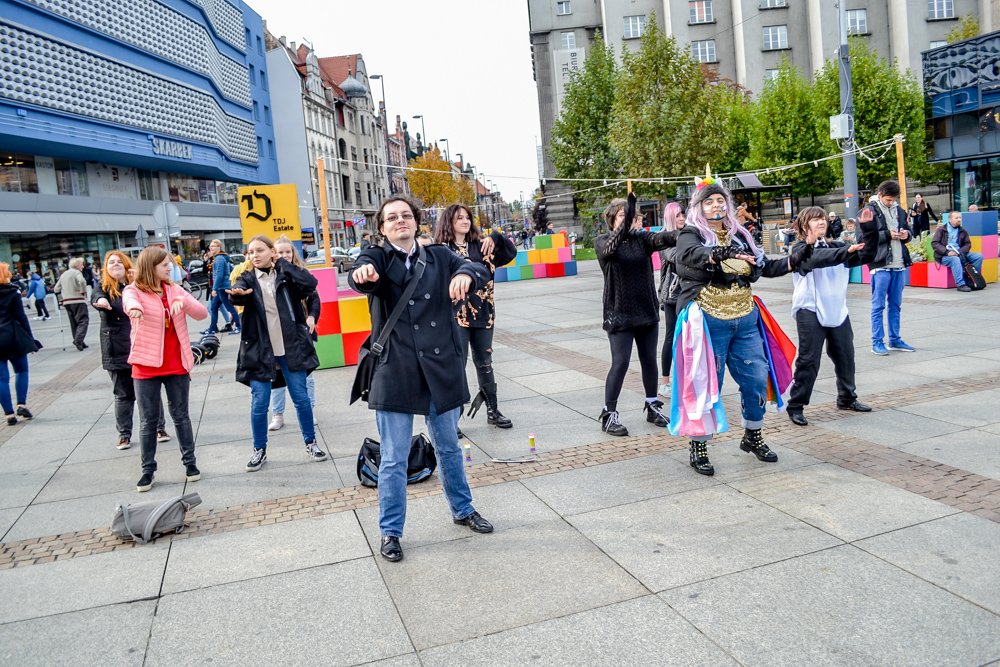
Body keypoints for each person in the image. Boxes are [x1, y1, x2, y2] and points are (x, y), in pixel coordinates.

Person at [349, 195, 493, 563]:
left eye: (406, 215)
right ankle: (391, 531)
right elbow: (361, 271)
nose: (400, 221)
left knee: (449, 448)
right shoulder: (377, 257)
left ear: (416, 222)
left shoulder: (441, 256)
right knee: (394, 458)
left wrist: (465, 273)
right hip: (395, 371)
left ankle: (463, 510)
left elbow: (476, 268)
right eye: (391, 218)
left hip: (440, 368)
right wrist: (362, 274)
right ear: (383, 228)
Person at [672, 176, 815, 476]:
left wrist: (796, 258)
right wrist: (719, 253)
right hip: (709, 321)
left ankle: (752, 434)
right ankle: (698, 445)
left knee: (757, 378)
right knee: (704, 383)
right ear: (699, 207)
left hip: (745, 319)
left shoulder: (740, 235)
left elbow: (764, 266)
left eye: (720, 200)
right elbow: (690, 255)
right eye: (709, 201)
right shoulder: (690, 234)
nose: (716, 205)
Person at [228, 235, 326, 471]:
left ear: (272, 252)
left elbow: (310, 284)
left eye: (260, 250)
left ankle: (311, 443)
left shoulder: (286, 275)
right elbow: (236, 293)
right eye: (251, 252)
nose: (254, 255)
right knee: (259, 404)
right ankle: (259, 450)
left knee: (301, 399)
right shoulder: (247, 278)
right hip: (260, 352)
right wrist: (237, 294)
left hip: (290, 348)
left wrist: (282, 263)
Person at [123, 247, 207, 492]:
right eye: (164, 265)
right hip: (146, 365)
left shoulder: (174, 289)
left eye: (169, 264)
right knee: (148, 421)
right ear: (150, 267)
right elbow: (129, 303)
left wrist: (184, 301)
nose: (169, 268)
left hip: (176, 364)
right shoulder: (133, 290)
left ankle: (190, 464)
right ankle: (147, 470)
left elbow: (202, 314)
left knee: (181, 415)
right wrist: (135, 309)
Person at [596, 194, 678, 436]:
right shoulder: (603, 241)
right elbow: (611, 248)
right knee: (620, 362)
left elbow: (663, 238)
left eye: (632, 216)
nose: (630, 220)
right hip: (619, 312)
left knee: (649, 359)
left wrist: (686, 232)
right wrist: (627, 217)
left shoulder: (643, 239)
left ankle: (652, 406)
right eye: (623, 216)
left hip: (646, 310)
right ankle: (609, 414)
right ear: (612, 220)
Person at [786, 207, 874, 426]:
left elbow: (868, 254)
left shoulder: (837, 246)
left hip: (837, 308)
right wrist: (846, 252)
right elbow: (817, 259)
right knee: (809, 360)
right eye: (815, 219)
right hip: (809, 309)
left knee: (846, 356)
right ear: (804, 225)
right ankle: (796, 405)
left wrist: (869, 229)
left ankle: (847, 398)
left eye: (823, 219)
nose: (821, 222)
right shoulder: (800, 249)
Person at [434, 203, 518, 428]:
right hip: (455, 317)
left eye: (467, 217)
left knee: (485, 363)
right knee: (456, 366)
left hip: (484, 314)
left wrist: (496, 236)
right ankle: (452, 420)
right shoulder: (441, 250)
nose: (465, 221)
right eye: (459, 218)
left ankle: (493, 410)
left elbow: (511, 253)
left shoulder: (482, 246)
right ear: (449, 222)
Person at [93, 251, 168, 450]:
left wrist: (139, 281)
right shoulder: (102, 287)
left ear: (127, 265)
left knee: (150, 391)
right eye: (111, 262)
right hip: (116, 348)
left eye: (119, 261)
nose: (115, 264)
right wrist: (102, 302)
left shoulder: (138, 286)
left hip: (141, 344)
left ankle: (159, 428)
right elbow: (98, 298)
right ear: (106, 268)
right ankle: (124, 434)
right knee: (123, 394)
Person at [268, 236, 319, 431]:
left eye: (287, 252)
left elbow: (314, 297)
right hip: (278, 334)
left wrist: (312, 317)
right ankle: (278, 414)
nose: (284, 255)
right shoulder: (269, 275)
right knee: (277, 377)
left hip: (302, 332)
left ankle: (309, 410)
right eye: (280, 252)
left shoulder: (299, 272)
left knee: (307, 377)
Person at [862, 180, 915, 356]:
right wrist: (886, 234)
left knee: (895, 305)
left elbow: (909, 230)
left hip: (899, 263)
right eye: (888, 200)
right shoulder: (868, 211)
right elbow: (863, 238)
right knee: (878, 306)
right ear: (880, 195)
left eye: (894, 200)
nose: (891, 203)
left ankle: (895, 339)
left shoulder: (900, 211)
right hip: (880, 264)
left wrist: (907, 234)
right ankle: (877, 341)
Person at [0, 262, 38, 425]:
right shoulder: (12, 292)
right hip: (13, 337)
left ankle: (9, 415)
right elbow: (21, 317)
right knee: (21, 370)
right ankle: (21, 405)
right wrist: (30, 340)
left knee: (1, 379)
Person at [658, 202, 685, 397]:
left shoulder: (689, 233)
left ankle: (686, 379)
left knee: (690, 337)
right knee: (671, 336)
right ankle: (665, 382)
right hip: (672, 294)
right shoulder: (663, 237)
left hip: (691, 293)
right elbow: (675, 256)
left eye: (683, 214)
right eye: (677, 215)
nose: (682, 218)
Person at [932, 210, 985, 293]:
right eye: (956, 218)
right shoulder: (941, 230)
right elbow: (935, 243)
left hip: (960, 253)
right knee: (955, 259)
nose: (959, 220)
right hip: (944, 255)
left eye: (960, 218)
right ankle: (961, 284)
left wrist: (960, 252)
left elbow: (967, 244)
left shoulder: (962, 230)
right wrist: (947, 252)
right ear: (950, 219)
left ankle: (970, 278)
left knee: (978, 256)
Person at [205, 239, 240, 335]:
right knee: (214, 308)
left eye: (213, 246)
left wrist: (214, 289)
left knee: (229, 307)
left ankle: (239, 326)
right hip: (221, 287)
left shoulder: (219, 259)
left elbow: (219, 275)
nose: (211, 248)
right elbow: (231, 269)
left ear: (219, 247)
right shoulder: (221, 258)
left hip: (222, 288)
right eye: (210, 246)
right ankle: (212, 329)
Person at [53, 257, 89, 351]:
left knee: (73, 323)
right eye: (81, 264)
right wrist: (83, 291)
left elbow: (56, 288)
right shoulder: (77, 273)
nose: (82, 266)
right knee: (83, 321)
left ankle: (79, 342)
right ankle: (78, 340)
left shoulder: (64, 274)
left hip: (67, 302)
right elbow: (82, 281)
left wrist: (60, 299)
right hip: (78, 300)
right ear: (77, 265)